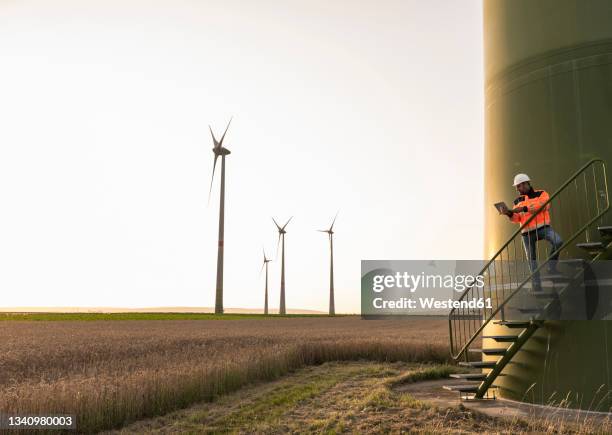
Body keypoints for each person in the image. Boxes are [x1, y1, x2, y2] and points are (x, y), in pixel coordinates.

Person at [501, 173, 563, 291]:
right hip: (527, 233)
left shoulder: (542, 193)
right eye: (516, 187)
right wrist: (509, 213)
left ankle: (551, 266)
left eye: (519, 186)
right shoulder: (517, 201)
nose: (517, 189)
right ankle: (536, 286)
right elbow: (517, 219)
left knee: (558, 241)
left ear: (525, 184)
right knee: (531, 260)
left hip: (543, 228)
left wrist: (525, 208)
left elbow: (544, 206)